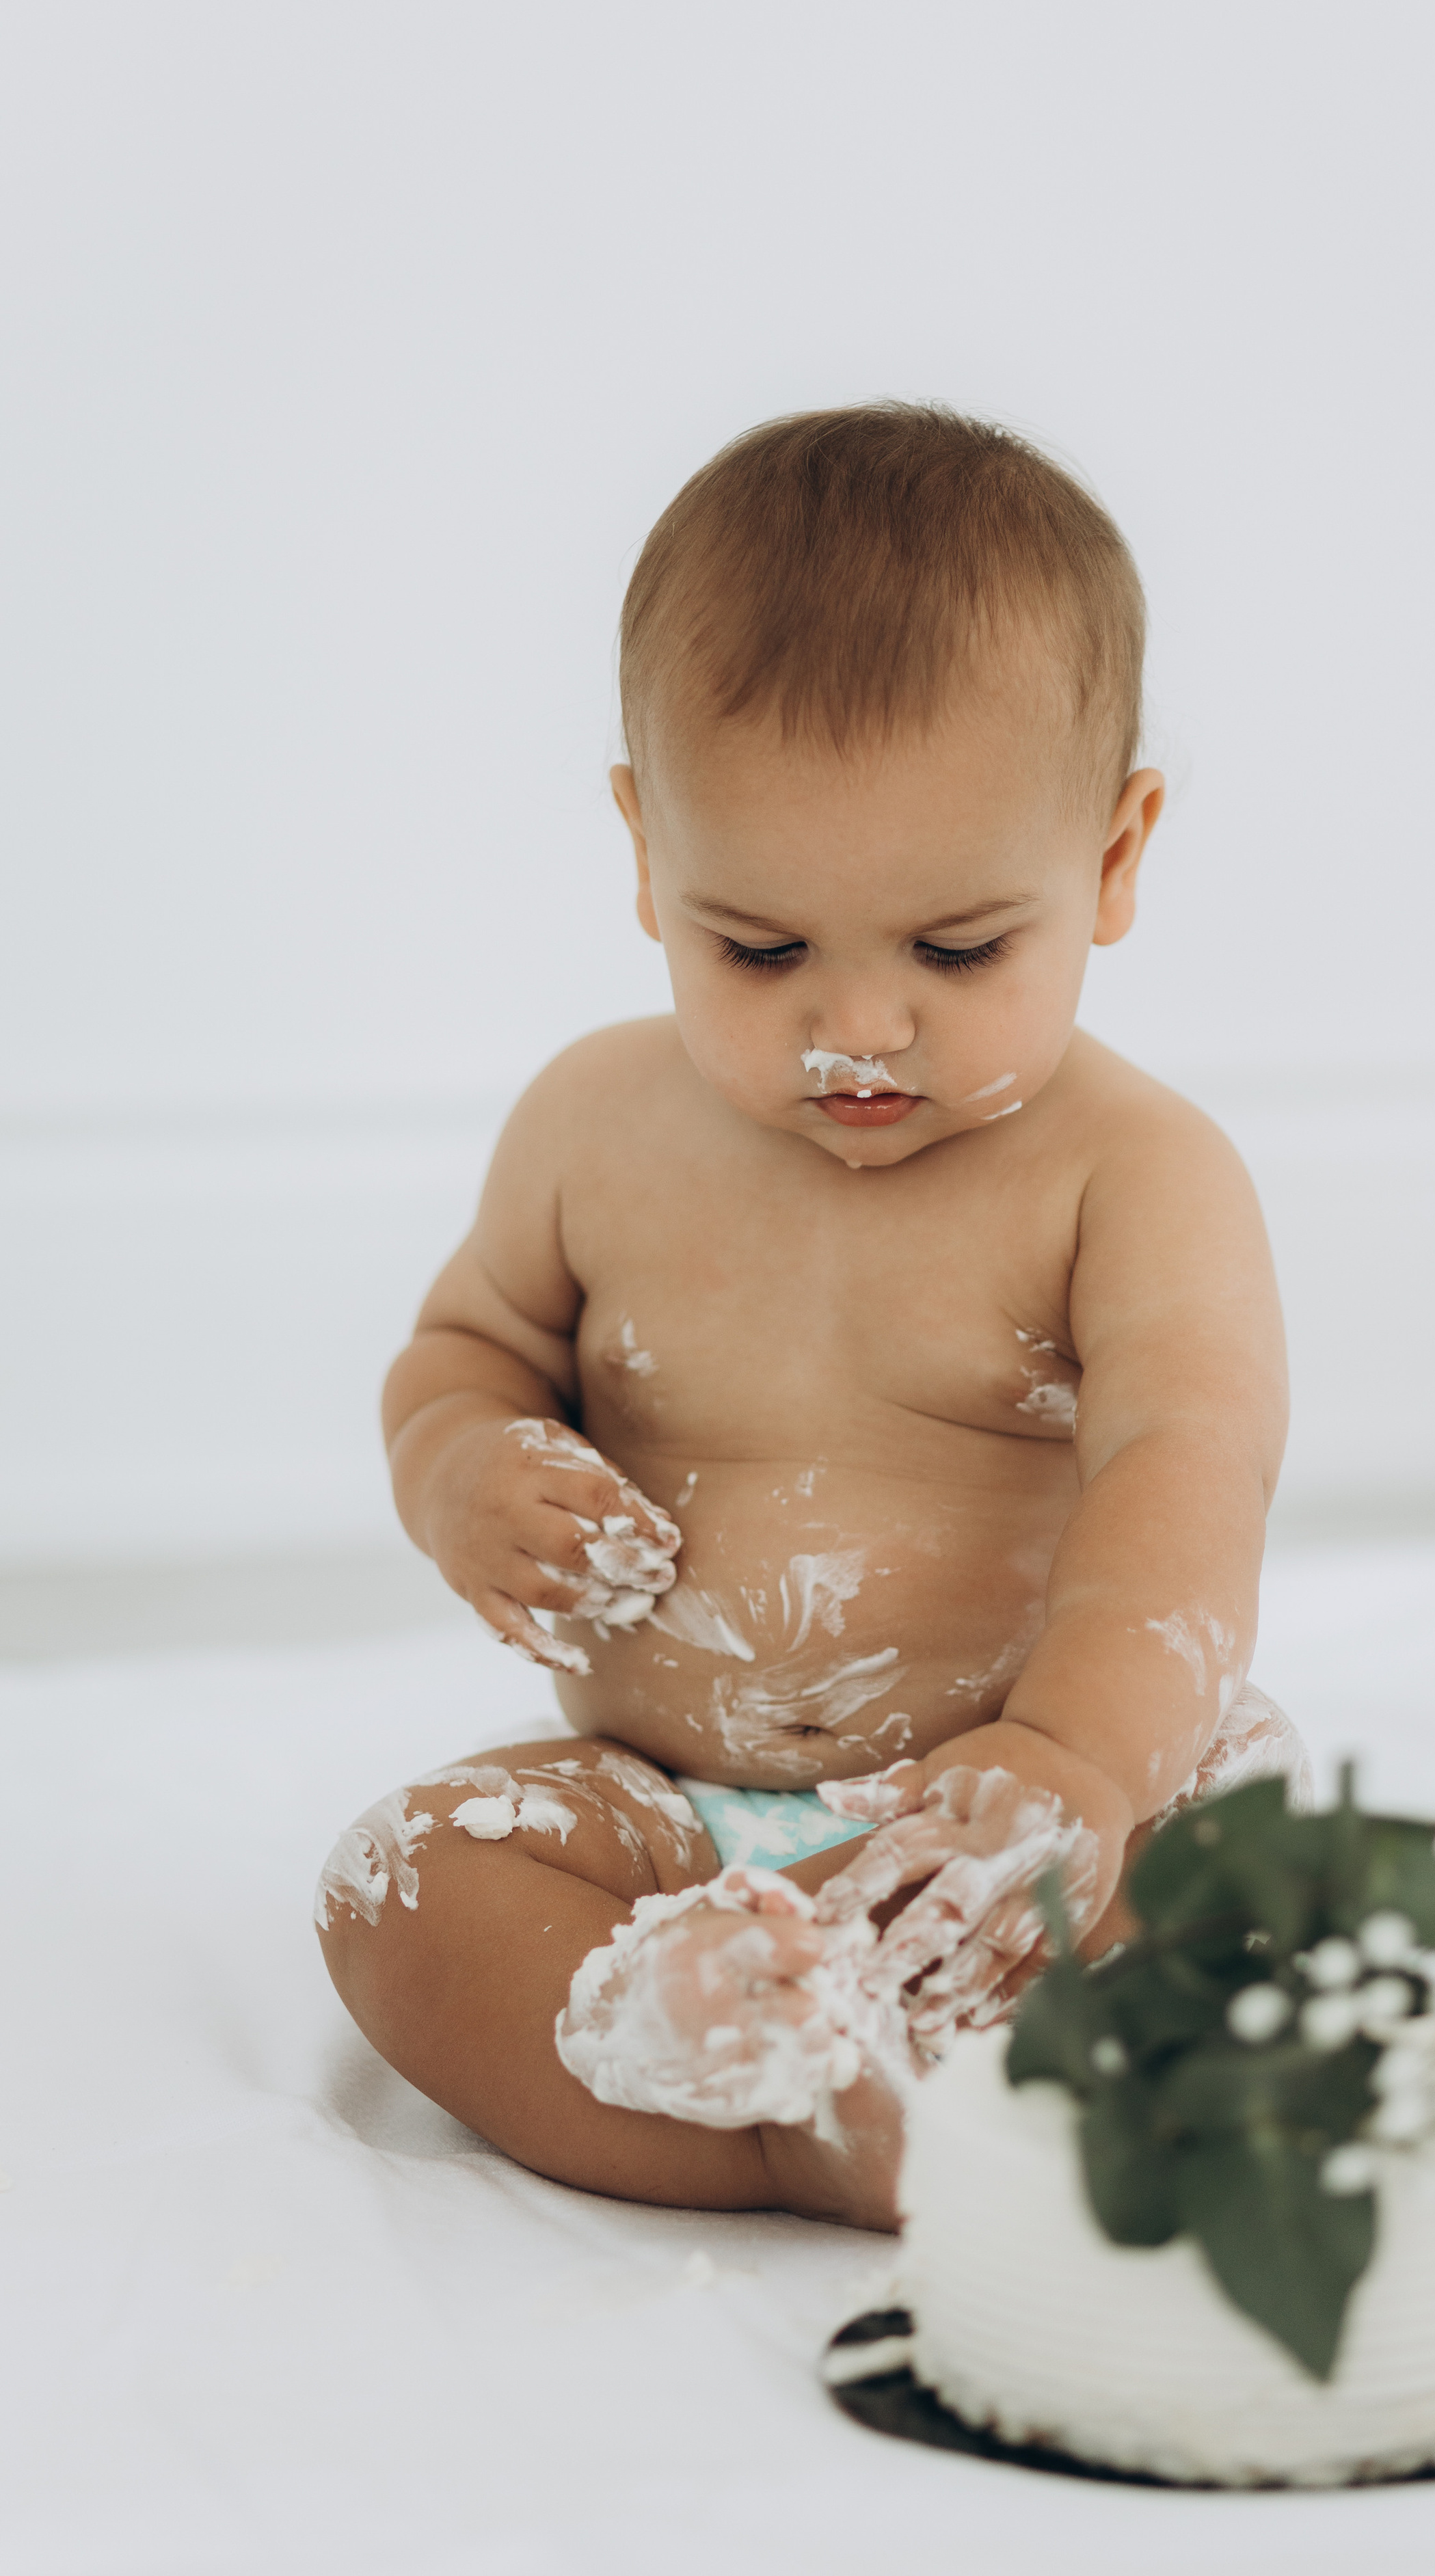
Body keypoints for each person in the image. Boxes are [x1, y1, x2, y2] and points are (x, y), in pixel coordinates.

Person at [317, 404, 1306, 2229]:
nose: (857, 1024)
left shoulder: (1133, 1176)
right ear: (645, 853)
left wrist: (1077, 1765)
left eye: (955, 950)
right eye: (759, 949)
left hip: (1003, 1811)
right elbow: (460, 1352)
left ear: (1113, 855)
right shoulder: (592, 1130)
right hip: (669, 1812)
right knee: (402, 1887)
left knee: (1258, 1860)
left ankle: (919, 2051)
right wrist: (464, 1471)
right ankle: (722, 2069)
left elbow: (1190, 1466)